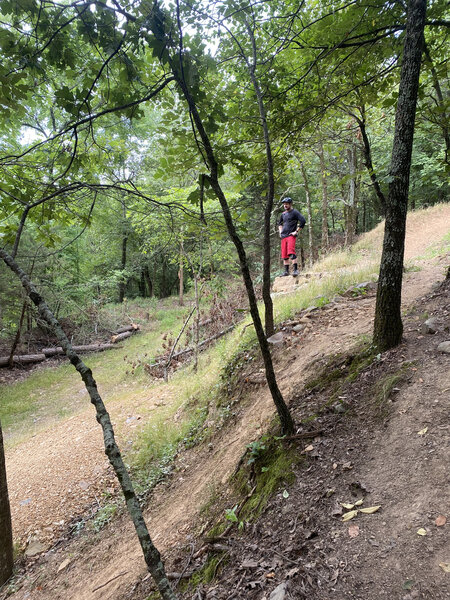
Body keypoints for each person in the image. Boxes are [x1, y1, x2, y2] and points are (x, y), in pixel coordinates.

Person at [278, 197, 306, 276]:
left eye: (286, 204)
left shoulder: (295, 212)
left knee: (291, 252)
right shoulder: (283, 214)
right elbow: (279, 224)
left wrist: (296, 231)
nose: (285, 206)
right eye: (284, 204)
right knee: (284, 255)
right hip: (283, 236)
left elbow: (303, 221)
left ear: (290, 204)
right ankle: (286, 271)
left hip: (291, 235)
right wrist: (280, 232)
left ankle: (296, 270)